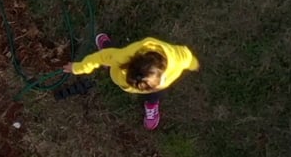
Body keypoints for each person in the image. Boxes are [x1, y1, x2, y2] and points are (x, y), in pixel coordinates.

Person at [65, 34, 199, 130]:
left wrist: (193, 64)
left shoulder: (178, 58)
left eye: (145, 88)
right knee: (110, 57)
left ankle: (151, 104)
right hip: (119, 71)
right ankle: (106, 47)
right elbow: (100, 57)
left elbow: (187, 57)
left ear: (162, 75)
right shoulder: (124, 57)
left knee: (155, 94)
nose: (138, 89)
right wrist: (78, 67)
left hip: (152, 83)